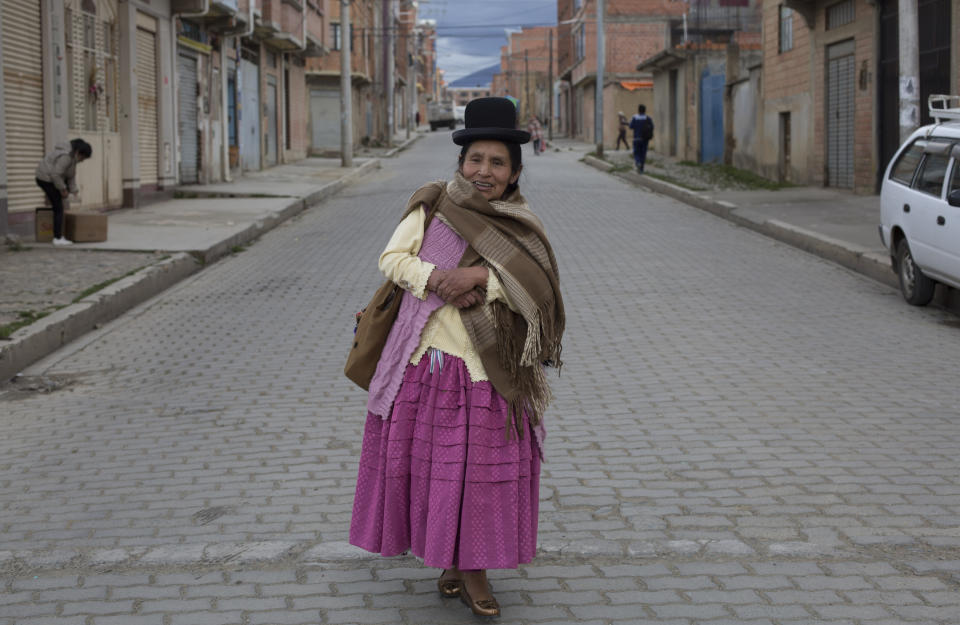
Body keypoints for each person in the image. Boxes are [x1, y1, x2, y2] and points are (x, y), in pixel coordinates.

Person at [350, 97, 564, 618]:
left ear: (514, 173)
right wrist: (437, 279)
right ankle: (455, 564)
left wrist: (482, 278)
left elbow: (540, 293)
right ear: (460, 162)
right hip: (431, 369)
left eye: (497, 163)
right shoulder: (432, 205)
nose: (483, 171)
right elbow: (392, 259)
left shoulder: (522, 224)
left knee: (482, 476)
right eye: (475, 160)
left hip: (493, 375)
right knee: (440, 473)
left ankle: (474, 570)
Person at [35, 138, 92, 245]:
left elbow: (70, 176)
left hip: (51, 178)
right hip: (45, 179)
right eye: (83, 158)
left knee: (58, 204)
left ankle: (58, 235)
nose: (82, 160)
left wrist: (74, 191)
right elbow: (55, 174)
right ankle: (57, 238)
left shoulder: (72, 158)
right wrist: (63, 189)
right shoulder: (66, 156)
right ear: (78, 152)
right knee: (58, 207)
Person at [628, 104, 654, 173]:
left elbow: (630, 126)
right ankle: (641, 169)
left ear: (638, 110)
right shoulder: (648, 118)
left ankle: (638, 162)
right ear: (645, 110)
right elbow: (652, 127)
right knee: (643, 153)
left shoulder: (635, 117)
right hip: (645, 139)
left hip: (636, 138)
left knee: (636, 152)